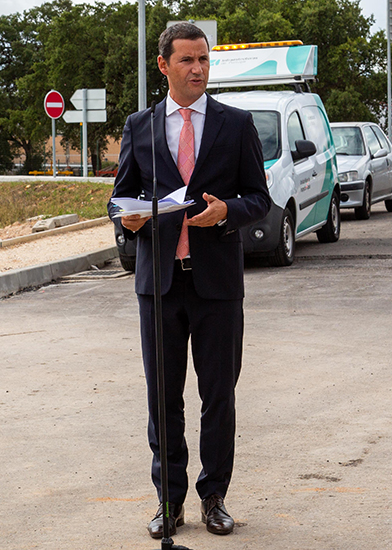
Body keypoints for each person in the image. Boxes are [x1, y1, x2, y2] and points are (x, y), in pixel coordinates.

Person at [107, 23, 270, 539]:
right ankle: (169, 500)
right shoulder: (140, 126)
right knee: (163, 399)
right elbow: (119, 197)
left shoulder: (235, 124)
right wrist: (127, 219)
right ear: (164, 65)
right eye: (187, 60)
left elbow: (259, 198)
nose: (197, 69)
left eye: (203, 59)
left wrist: (227, 212)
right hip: (159, 286)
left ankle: (214, 497)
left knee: (218, 396)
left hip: (217, 286)